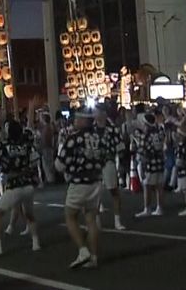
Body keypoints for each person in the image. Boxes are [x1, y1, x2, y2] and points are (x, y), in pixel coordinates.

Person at [55, 108, 108, 270]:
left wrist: (71, 167)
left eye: (77, 118)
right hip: (96, 181)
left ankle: (82, 250)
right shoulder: (99, 138)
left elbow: (59, 165)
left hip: (79, 182)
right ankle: (93, 257)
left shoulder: (73, 139)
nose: (75, 121)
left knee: (70, 217)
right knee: (91, 219)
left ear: (84, 121)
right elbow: (105, 158)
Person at [0, 118, 39, 257]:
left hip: (15, 186)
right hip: (28, 185)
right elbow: (29, 131)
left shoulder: (4, 147)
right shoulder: (26, 144)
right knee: (30, 214)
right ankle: (35, 242)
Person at [93, 105, 126, 228]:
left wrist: (120, 163)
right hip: (94, 164)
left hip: (108, 162)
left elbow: (120, 146)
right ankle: (96, 220)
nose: (96, 115)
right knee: (95, 193)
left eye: (98, 112)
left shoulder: (112, 129)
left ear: (103, 114)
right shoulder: (91, 129)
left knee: (114, 191)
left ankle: (117, 220)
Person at [134, 112, 165, 218]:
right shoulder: (160, 132)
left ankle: (147, 208)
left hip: (149, 164)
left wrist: (141, 166)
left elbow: (143, 152)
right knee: (159, 186)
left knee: (147, 186)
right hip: (159, 162)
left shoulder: (145, 135)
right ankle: (159, 207)